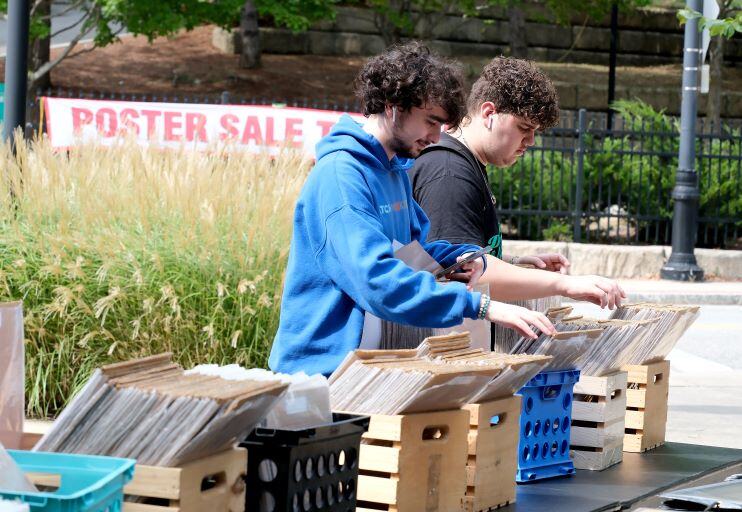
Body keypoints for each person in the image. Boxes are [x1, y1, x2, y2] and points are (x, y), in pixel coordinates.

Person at [269, 43, 555, 377]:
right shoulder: (341, 176)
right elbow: (376, 280)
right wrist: (479, 306)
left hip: (367, 370)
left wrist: (465, 259)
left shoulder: (395, 169)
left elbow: (416, 251)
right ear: (392, 107)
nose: (437, 136)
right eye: (431, 122)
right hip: (322, 375)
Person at [409, 56, 625, 311]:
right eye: (524, 128)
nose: (531, 141)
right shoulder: (449, 172)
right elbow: (463, 272)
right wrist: (563, 284)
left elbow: (463, 254)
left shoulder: (463, 163)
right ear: (489, 113)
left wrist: (514, 263)